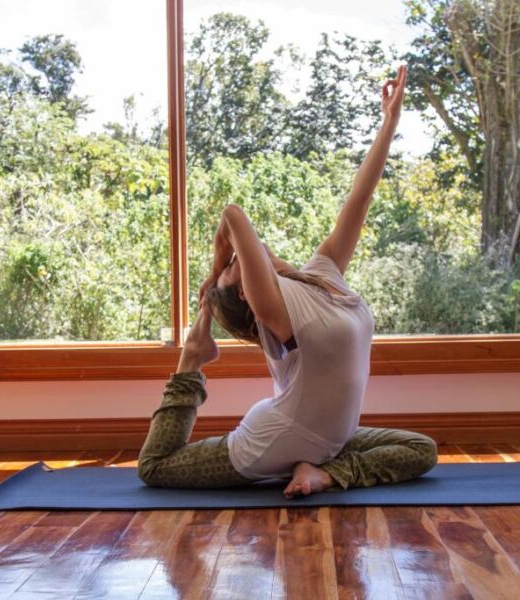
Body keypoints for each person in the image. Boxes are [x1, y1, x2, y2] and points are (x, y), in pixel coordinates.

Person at [137, 65, 438, 498]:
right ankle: (192, 359)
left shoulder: (321, 276)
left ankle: (323, 472)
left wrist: (389, 122)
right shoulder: (274, 313)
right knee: (155, 467)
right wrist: (220, 259)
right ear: (248, 293)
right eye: (233, 266)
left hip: (327, 439)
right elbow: (235, 215)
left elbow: (360, 198)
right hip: (267, 443)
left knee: (419, 449)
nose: (239, 259)